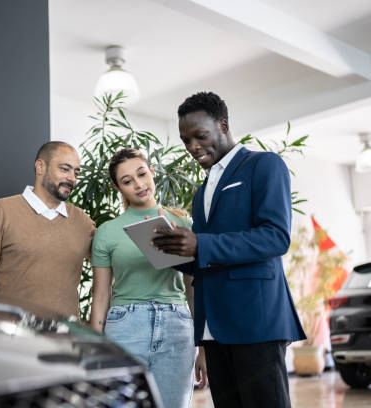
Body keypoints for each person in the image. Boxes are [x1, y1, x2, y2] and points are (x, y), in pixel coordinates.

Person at [153, 92, 306, 408]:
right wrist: (172, 253)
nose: (193, 147)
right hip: (214, 327)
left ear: (223, 125)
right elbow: (206, 259)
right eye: (186, 140)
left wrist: (201, 244)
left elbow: (276, 237)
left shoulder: (263, 165)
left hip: (256, 321)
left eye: (200, 136)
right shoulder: (200, 192)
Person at [90, 148, 207, 408]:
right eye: (127, 181)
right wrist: (95, 347)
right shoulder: (107, 232)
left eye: (142, 174)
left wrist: (203, 347)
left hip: (178, 326)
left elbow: (194, 288)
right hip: (125, 326)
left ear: (152, 172)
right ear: (118, 188)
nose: (139, 184)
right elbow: (101, 295)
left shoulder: (182, 222)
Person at [0, 141, 95, 317]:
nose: (72, 178)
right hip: (12, 337)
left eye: (76, 172)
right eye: (65, 169)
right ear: (40, 167)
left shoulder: (82, 221)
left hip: (64, 338)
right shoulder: (2, 210)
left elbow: (115, 264)